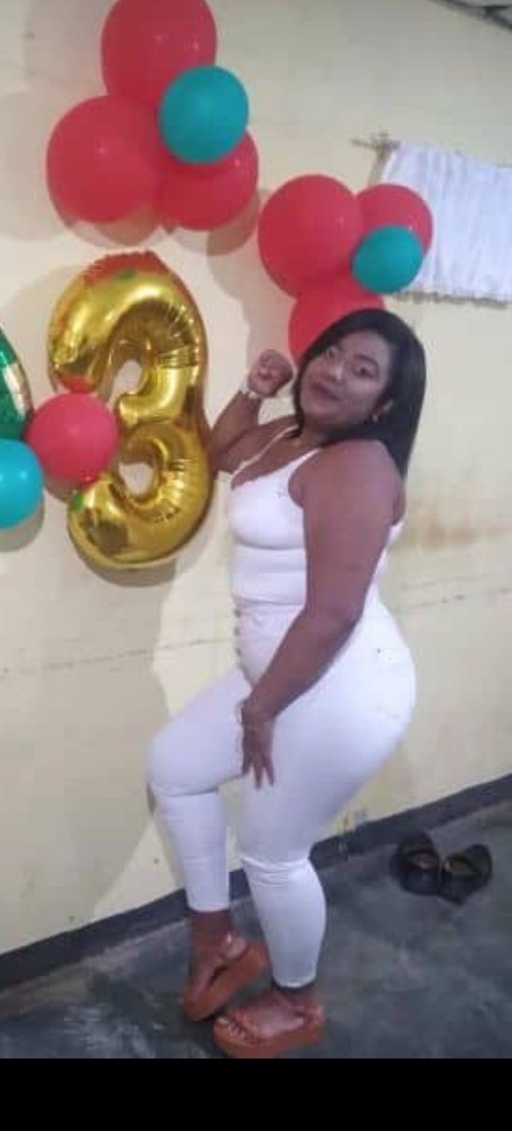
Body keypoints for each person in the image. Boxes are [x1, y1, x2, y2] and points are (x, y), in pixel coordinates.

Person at [148, 310, 427, 1060]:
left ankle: (298, 1001)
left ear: (384, 404)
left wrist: (261, 709)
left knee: (272, 850)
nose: (333, 371)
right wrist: (251, 389)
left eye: (362, 371)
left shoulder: (357, 466)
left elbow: (334, 611)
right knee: (174, 766)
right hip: (274, 680)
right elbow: (218, 454)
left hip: (337, 687)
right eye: (332, 353)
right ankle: (219, 940)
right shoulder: (290, 436)